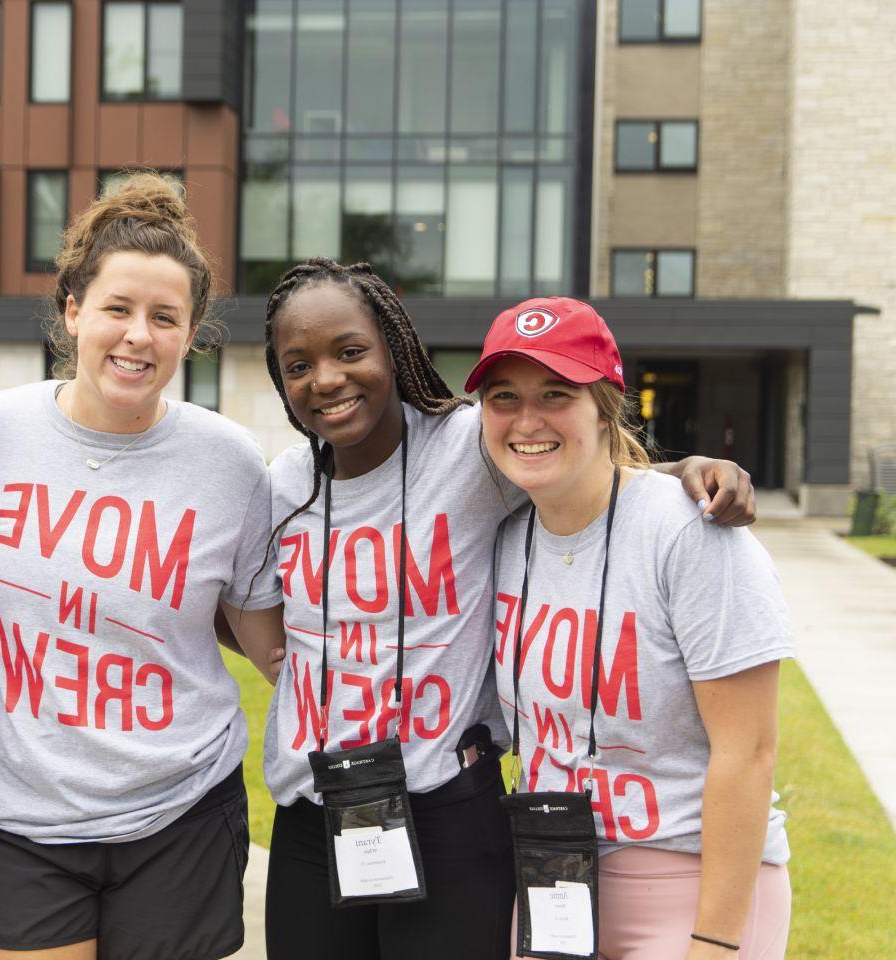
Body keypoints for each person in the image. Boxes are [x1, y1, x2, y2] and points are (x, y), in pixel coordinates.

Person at [257, 258, 756, 960]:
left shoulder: (466, 447)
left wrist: (689, 472)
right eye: (298, 364)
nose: (328, 378)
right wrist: (272, 654)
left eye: (350, 351)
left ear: (395, 352)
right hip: (315, 808)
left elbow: (567, 455)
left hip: (447, 805)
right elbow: (220, 589)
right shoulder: (284, 487)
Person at [0, 173, 283, 960]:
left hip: (181, 809)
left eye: (165, 317)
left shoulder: (229, 461)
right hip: (21, 815)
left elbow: (268, 641)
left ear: (192, 330)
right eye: (117, 309)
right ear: (73, 311)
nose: (138, 335)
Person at [469, 297, 792, 960]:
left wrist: (714, 943)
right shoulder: (503, 538)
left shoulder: (690, 534)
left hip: (691, 883)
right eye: (505, 396)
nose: (527, 420)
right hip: (553, 882)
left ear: (606, 405)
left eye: (556, 393)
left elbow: (748, 753)